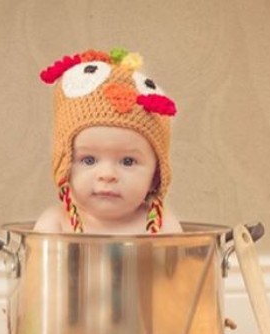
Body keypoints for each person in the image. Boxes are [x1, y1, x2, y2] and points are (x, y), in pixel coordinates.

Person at [34, 48, 183, 235]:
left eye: (128, 161)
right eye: (89, 160)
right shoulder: (55, 224)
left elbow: (181, 265)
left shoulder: (163, 226)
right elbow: (37, 265)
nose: (107, 175)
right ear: (63, 167)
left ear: (156, 177)